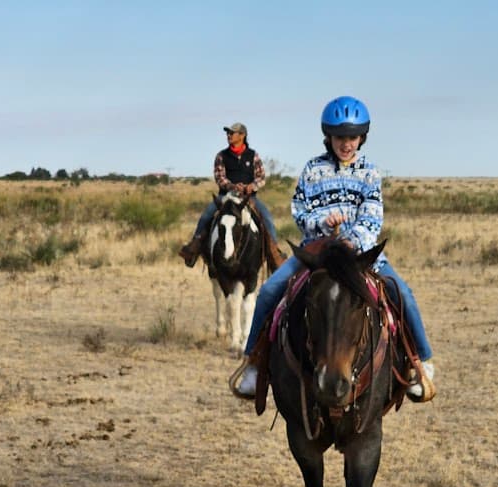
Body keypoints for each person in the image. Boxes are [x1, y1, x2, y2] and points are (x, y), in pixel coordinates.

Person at [232, 96, 435, 401]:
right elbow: (300, 211)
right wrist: (322, 222)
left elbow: (372, 216)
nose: (346, 144)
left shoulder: (369, 172)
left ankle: (421, 363)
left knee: (402, 294)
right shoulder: (313, 170)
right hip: (318, 251)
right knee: (270, 290)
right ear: (329, 136)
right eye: (340, 137)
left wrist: (353, 240)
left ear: (362, 137)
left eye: (352, 137)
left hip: (359, 254)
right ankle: (254, 363)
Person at [179, 122, 285, 270]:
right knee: (206, 216)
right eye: (228, 133)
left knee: (267, 217)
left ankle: (275, 253)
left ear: (242, 135)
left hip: (248, 198)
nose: (228, 135)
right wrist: (233, 186)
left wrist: (251, 186)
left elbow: (261, 177)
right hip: (226, 197)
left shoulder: (253, 155)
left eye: (232, 133)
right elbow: (220, 178)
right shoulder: (221, 156)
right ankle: (193, 249)